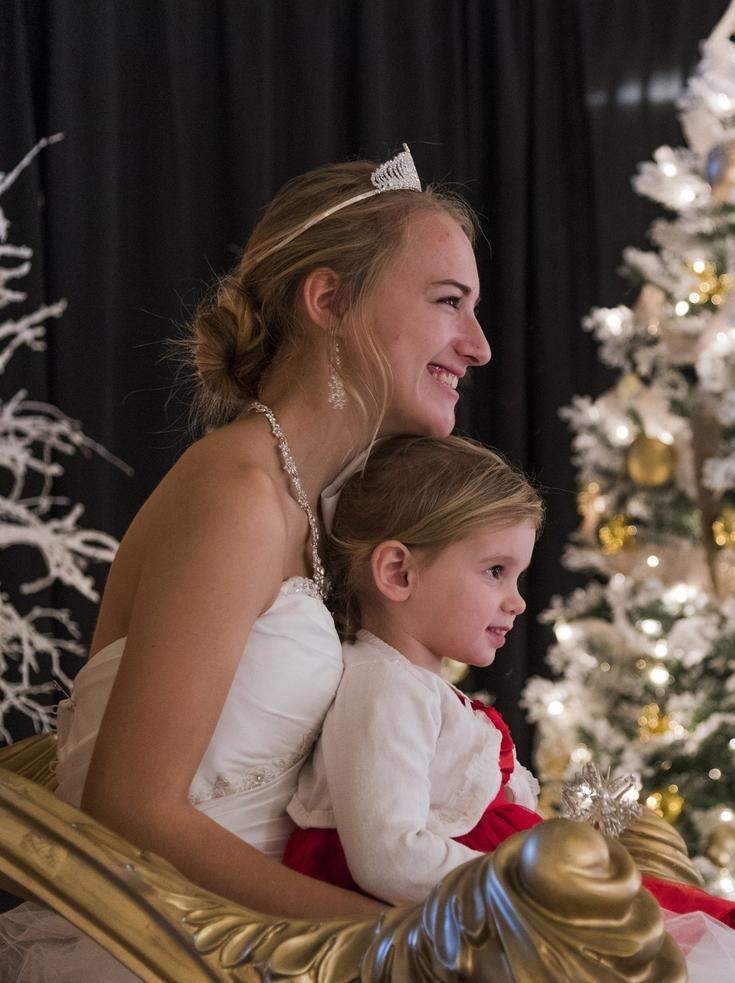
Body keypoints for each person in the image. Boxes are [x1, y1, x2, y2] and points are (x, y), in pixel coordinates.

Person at [0, 145, 491, 979]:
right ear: (330, 299)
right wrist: (395, 941)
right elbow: (133, 811)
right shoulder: (236, 492)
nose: (477, 345)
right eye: (450, 303)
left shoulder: (327, 507)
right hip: (173, 944)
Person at [282, 434, 735, 982]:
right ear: (398, 572)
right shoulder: (385, 687)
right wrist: (544, 890)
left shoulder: (421, 689)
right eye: (495, 571)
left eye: (516, 576)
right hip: (463, 929)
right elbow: (388, 856)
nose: (517, 600)